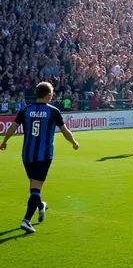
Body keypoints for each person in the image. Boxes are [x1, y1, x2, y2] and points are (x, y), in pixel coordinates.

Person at [0, 81, 79, 234]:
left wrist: (4, 142)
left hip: (27, 155)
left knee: (34, 187)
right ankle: (26, 220)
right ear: (49, 95)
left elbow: (12, 128)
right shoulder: (53, 111)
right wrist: (74, 142)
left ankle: (41, 206)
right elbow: (65, 131)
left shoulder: (26, 110)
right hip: (43, 155)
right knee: (35, 188)